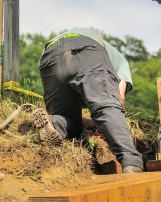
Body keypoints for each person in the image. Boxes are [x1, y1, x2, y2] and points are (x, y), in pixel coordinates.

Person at [32, 27, 144, 173]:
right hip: (84, 49)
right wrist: (105, 122)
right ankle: (132, 162)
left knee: (69, 119)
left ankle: (53, 123)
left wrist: (96, 122)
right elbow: (117, 99)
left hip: (49, 57)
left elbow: (86, 114)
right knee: (108, 105)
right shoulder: (121, 63)